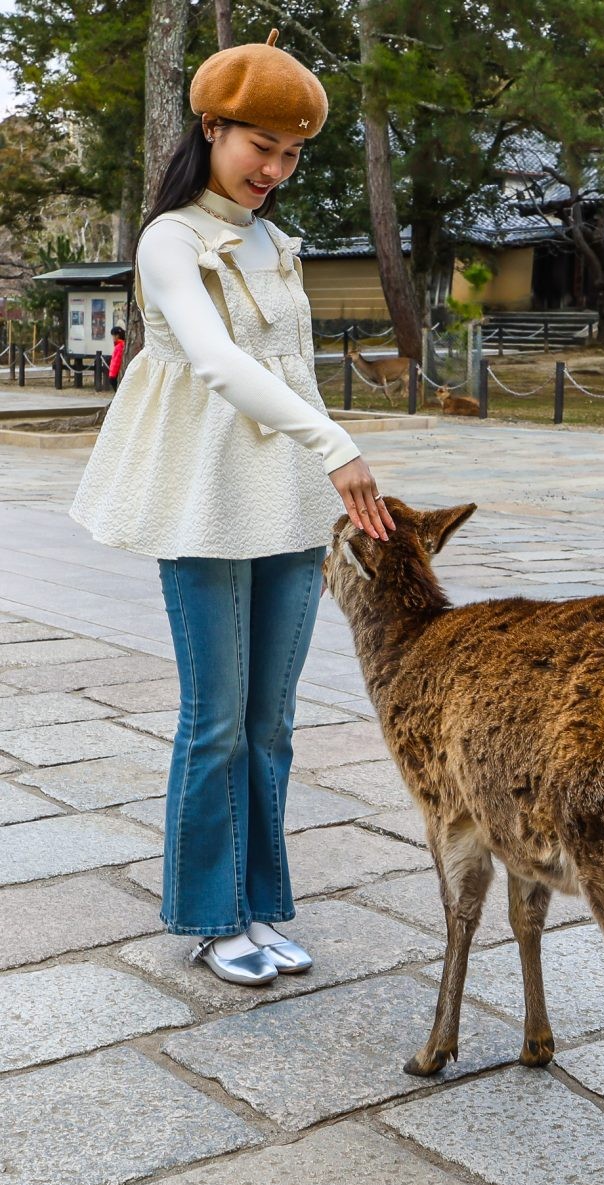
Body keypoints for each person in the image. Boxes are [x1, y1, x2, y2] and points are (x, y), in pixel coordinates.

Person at [69, 29, 395, 987]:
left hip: (286, 503)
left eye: (292, 153)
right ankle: (212, 919)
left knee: (271, 721)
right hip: (204, 498)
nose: (276, 169)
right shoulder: (171, 236)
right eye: (261, 146)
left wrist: (324, 457)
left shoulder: (274, 241)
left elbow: (288, 366)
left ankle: (258, 907)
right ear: (211, 126)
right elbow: (215, 360)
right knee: (215, 718)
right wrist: (339, 448)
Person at [107, 325, 125, 391]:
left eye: (113, 336)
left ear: (117, 336)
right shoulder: (120, 345)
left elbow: (116, 361)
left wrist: (112, 374)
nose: (113, 338)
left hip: (114, 373)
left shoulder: (119, 346)